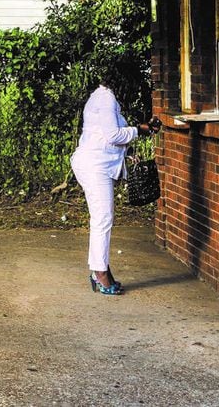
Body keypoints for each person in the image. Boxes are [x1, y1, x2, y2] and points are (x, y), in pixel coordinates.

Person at [70, 80, 159, 296]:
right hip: (94, 166)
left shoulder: (101, 97)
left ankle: (99, 269)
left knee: (102, 218)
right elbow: (113, 135)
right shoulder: (106, 98)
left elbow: (100, 135)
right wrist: (139, 129)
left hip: (94, 162)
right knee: (102, 218)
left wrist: (126, 153)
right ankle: (100, 273)